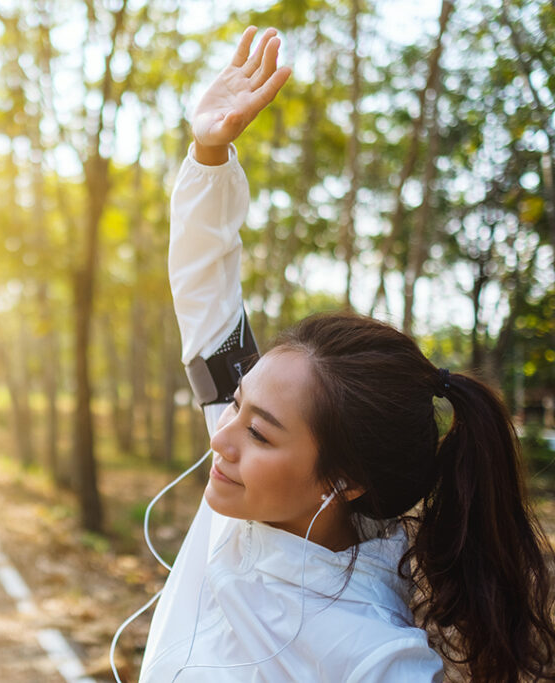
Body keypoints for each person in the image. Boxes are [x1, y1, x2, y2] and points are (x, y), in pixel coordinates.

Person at [130, 26, 555, 682]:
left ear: (345, 479)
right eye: (238, 404)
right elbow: (206, 288)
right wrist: (210, 152)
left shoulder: (376, 658)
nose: (224, 437)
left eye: (261, 433)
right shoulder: (254, 490)